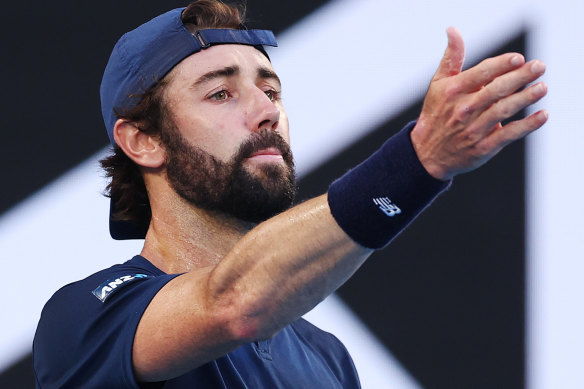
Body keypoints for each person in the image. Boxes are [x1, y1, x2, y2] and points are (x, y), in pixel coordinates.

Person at [32, 0, 548, 388]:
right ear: (143, 141)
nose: (266, 111)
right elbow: (235, 304)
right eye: (220, 92)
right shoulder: (85, 318)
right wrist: (416, 164)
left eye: (271, 90)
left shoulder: (328, 359)